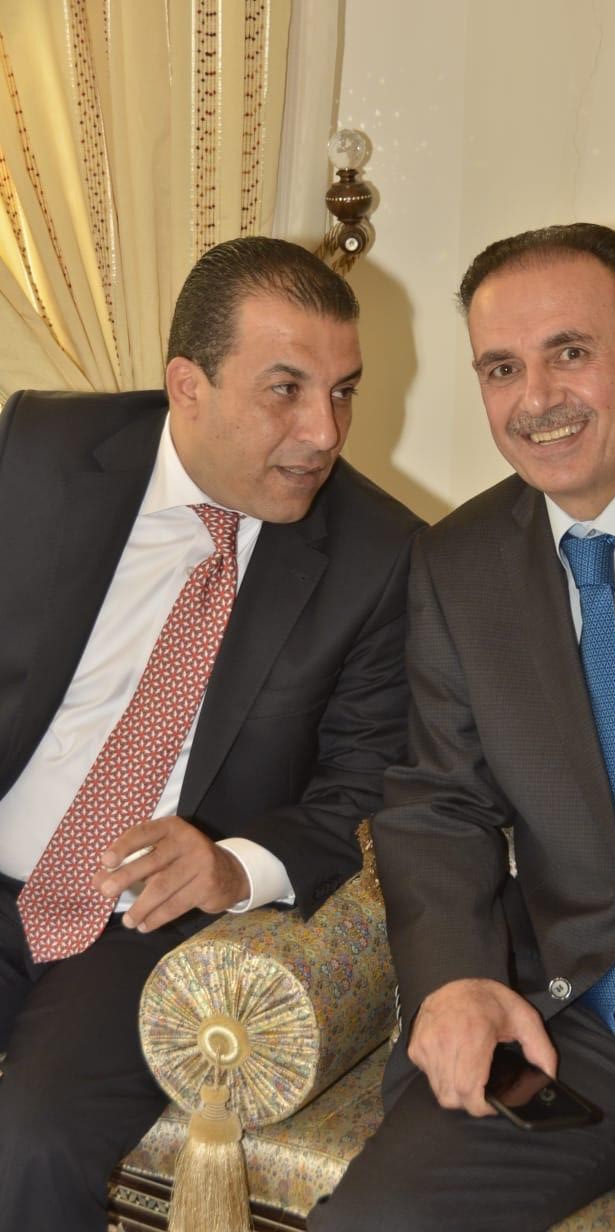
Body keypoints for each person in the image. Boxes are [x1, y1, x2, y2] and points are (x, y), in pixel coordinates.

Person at [310, 223, 615, 1232]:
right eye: (502, 368)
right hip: (574, 1020)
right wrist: (456, 978)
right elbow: (438, 802)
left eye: (569, 352)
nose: (535, 398)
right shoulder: (455, 563)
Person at [0, 235, 422, 1232]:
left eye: (343, 392)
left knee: (32, 1143)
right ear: (187, 385)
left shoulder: (382, 556)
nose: (324, 432)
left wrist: (235, 865)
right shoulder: (40, 451)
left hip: (140, 926)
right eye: (286, 390)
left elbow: (364, 783)